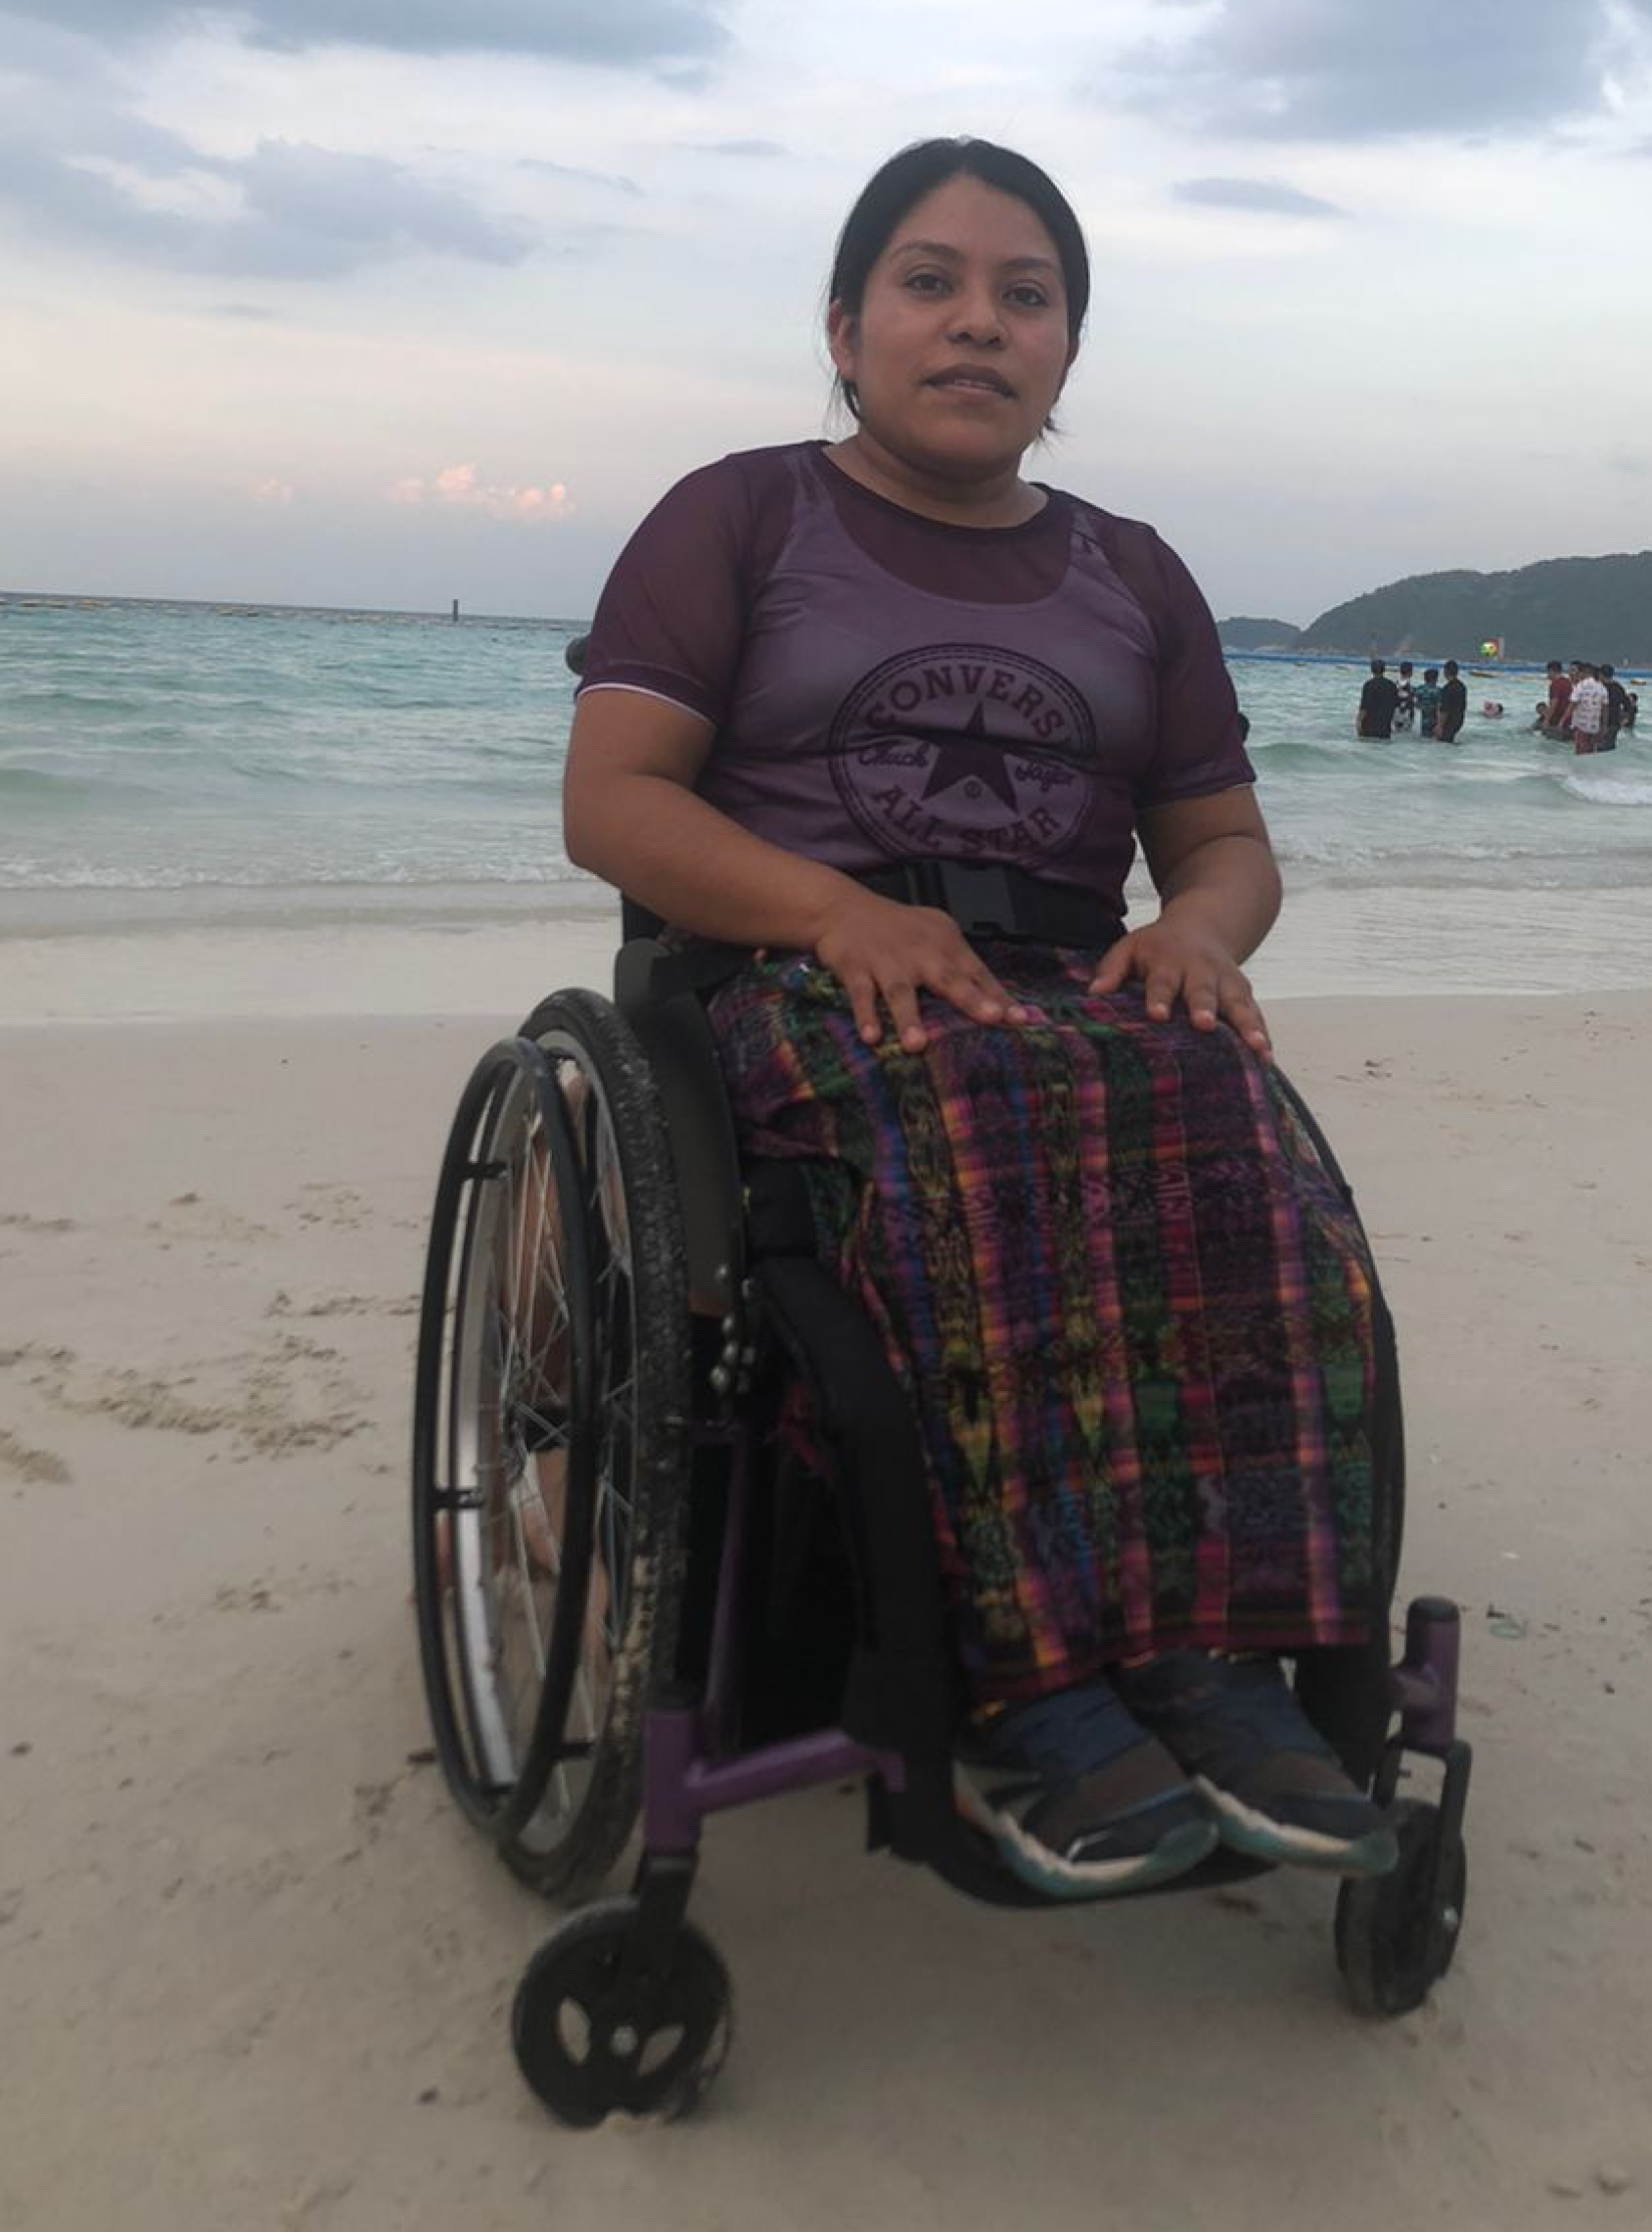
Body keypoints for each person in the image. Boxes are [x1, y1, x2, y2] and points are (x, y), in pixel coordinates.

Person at [565, 137, 1396, 1898]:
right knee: (973, 1103)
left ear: (1067, 352)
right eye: (929, 283)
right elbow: (616, 802)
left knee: (1235, 1118)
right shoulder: (739, 515)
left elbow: (1226, 845)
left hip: (1055, 988)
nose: (975, 325)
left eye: (1024, 296)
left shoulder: (1135, 574)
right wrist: (834, 908)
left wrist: (1200, 937)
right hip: (791, 977)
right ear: (846, 325)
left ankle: (1201, 1649)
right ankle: (1025, 1692)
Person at [1569, 662, 1608, 755]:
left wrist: (1562, 720)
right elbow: (1605, 709)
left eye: (1579, 672)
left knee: (1580, 751)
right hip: (1595, 726)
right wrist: (1604, 725)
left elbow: (1572, 705)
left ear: (1584, 672)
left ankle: (1580, 769)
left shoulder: (1580, 686)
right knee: (1592, 751)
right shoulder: (1601, 687)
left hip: (1581, 725)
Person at [1356, 658, 1400, 739]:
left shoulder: (1369, 685)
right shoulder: (1392, 685)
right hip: (1385, 727)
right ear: (1384, 670)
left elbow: (1364, 707)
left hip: (1369, 728)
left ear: (1372, 670)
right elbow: (1396, 705)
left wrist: (1358, 723)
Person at [1435, 659, 1467, 743]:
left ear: (1445, 672)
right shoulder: (1462, 686)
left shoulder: (1447, 688)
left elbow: (1445, 710)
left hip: (1449, 721)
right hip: (1459, 720)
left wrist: (1439, 726)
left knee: (1443, 743)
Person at [1539, 659, 1572, 738]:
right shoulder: (1568, 682)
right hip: (1568, 719)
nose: (1547, 675)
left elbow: (1554, 703)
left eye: (1548, 672)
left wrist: (1547, 719)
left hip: (1558, 720)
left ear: (1552, 671)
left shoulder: (1555, 684)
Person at [1601, 664, 1627, 751]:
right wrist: (1624, 719)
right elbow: (1628, 705)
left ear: (1600, 674)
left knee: (1600, 748)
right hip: (1615, 723)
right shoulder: (1619, 687)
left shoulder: (1600, 687)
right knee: (1610, 747)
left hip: (1602, 722)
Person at [1414, 665, 1442, 739]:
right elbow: (1439, 708)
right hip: (1435, 721)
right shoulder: (1439, 691)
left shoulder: (1420, 689)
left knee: (1425, 739)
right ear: (1436, 679)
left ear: (1425, 678)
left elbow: (1415, 703)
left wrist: (1423, 707)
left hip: (1424, 720)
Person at [1394, 660, 1416, 731]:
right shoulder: (1410, 687)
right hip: (1407, 713)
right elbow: (1412, 701)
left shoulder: (1395, 684)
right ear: (1411, 672)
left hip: (1396, 713)